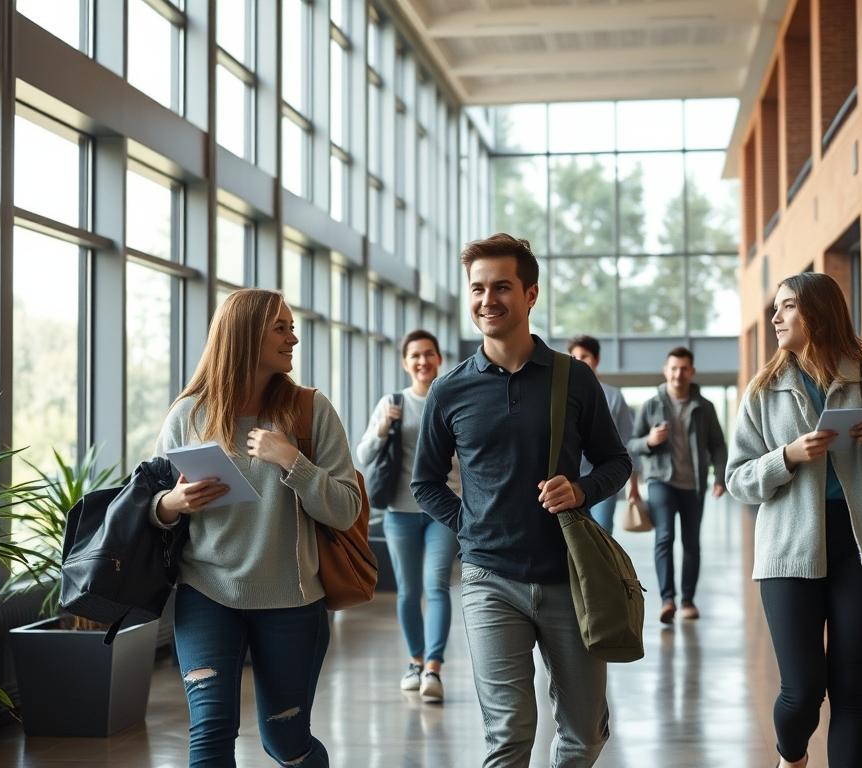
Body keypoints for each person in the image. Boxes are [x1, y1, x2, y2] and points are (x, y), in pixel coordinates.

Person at [412, 233, 632, 768]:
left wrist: (581, 489)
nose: (488, 299)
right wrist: (470, 527)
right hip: (489, 580)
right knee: (509, 736)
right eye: (478, 288)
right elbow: (425, 482)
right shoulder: (450, 389)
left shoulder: (574, 379)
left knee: (583, 734)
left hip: (568, 577)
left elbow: (616, 462)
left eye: (502, 287)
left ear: (530, 294)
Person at [725, 272, 862, 768]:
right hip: (787, 553)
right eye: (776, 307)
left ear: (818, 313)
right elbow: (737, 479)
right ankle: (791, 756)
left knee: (851, 688)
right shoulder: (763, 390)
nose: (776, 317)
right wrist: (787, 456)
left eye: (788, 306)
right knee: (801, 692)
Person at [150, 288, 361, 768]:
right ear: (246, 336)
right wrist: (172, 502)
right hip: (206, 594)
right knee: (209, 732)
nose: (294, 337)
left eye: (291, 326)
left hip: (292, 601)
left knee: (284, 741)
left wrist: (292, 460)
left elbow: (346, 510)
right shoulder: (188, 414)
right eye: (281, 328)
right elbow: (148, 505)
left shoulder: (311, 411)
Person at [355, 329, 461, 704]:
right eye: (415, 355)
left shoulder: (451, 398)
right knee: (408, 590)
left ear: (438, 359)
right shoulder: (392, 402)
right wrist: (384, 427)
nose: (422, 361)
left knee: (436, 587)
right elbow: (364, 455)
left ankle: (433, 667)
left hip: (443, 511)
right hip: (400, 511)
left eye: (429, 354)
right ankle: (414, 661)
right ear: (405, 362)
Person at [626, 346, 727, 624]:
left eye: (683, 369)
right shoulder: (652, 404)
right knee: (664, 537)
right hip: (661, 481)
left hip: (694, 484)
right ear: (665, 370)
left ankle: (688, 601)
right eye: (673, 368)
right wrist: (650, 441)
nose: (678, 374)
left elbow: (718, 445)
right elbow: (632, 444)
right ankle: (667, 599)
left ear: (691, 372)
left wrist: (719, 477)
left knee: (691, 542)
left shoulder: (705, 407)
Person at [566, 335, 639, 534]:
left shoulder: (614, 396)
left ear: (596, 360)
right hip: (569, 480)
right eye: (574, 356)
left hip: (603, 478)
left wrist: (634, 485)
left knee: (602, 532)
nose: (579, 361)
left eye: (585, 356)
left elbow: (627, 442)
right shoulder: (561, 395)